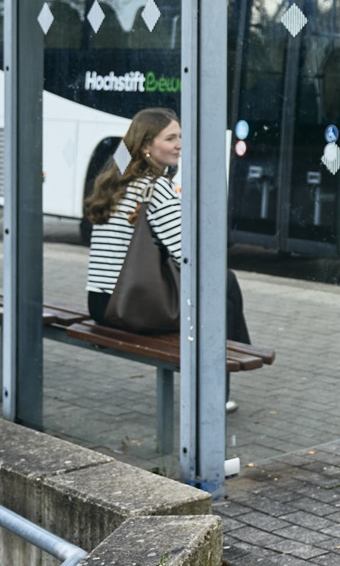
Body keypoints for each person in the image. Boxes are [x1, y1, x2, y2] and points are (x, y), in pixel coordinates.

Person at [83, 107, 251, 411]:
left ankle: (234, 356)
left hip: (99, 304)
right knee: (222, 287)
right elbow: (187, 254)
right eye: (170, 138)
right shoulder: (155, 186)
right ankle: (223, 380)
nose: (179, 145)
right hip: (127, 305)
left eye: (181, 137)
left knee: (220, 287)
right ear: (146, 145)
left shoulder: (113, 182)